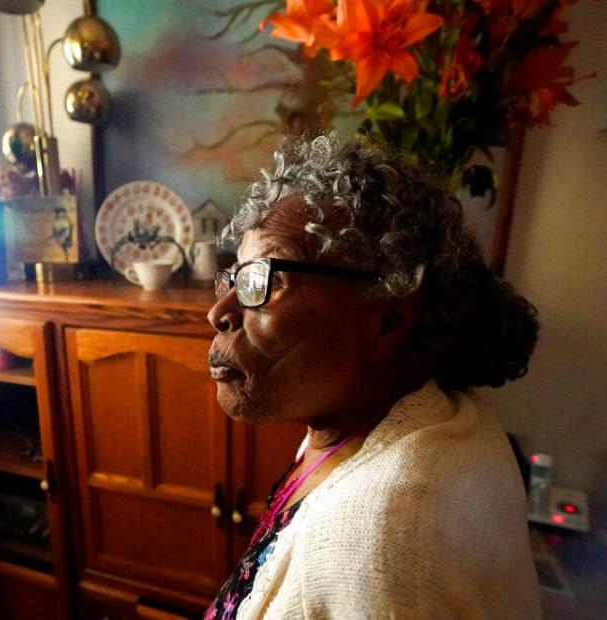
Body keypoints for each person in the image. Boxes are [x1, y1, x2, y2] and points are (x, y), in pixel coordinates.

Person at [205, 134, 541, 618]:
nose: (219, 311)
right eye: (235, 277)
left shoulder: (379, 547)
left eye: (265, 280)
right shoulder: (367, 420)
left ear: (386, 324)